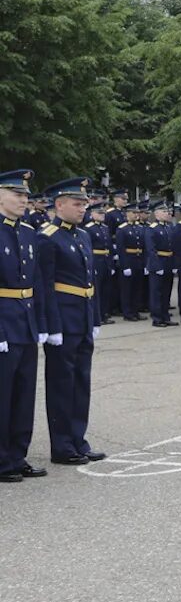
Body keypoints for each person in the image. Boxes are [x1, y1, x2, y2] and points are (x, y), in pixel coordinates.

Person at [37, 177, 105, 466]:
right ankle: (62, 446)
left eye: (84, 204)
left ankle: (79, 439)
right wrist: (51, 328)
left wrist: (96, 318)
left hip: (83, 317)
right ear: (59, 204)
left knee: (81, 382)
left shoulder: (82, 235)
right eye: (77, 204)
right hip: (63, 322)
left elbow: (91, 281)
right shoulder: (47, 237)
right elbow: (45, 287)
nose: (82, 209)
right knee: (62, 385)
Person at [0, 170, 46, 483]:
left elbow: (36, 282)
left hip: (25, 321)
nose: (23, 200)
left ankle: (18, 455)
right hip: (4, 322)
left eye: (26, 195)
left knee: (23, 393)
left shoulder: (28, 232)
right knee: (3, 395)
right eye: (17, 194)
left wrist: (41, 324)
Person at [144, 199, 178, 327]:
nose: (167, 213)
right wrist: (157, 265)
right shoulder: (152, 229)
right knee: (156, 292)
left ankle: (165, 316)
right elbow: (151, 249)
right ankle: (157, 318)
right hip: (158, 262)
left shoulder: (169, 228)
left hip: (168, 262)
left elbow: (172, 248)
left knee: (166, 291)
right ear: (156, 214)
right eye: (164, 211)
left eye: (167, 211)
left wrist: (174, 265)